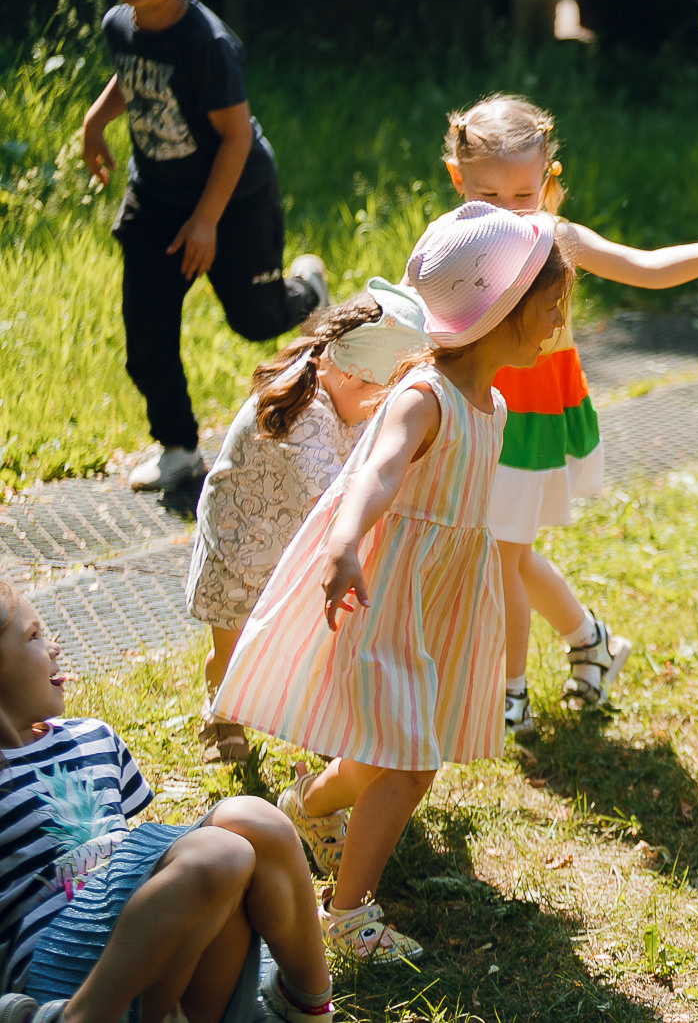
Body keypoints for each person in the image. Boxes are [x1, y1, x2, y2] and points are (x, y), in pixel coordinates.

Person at [213, 204, 569, 964]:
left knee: (392, 750)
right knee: (408, 762)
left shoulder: (492, 403)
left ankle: (308, 804)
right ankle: (346, 914)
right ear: (500, 309)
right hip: (389, 597)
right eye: (550, 304)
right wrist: (344, 543)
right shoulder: (425, 395)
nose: (559, 321)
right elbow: (374, 472)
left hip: (439, 603)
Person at [439, 95, 698, 739]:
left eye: (523, 194)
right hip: (475, 408)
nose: (508, 210)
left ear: (547, 175)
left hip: (531, 417)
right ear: (457, 178)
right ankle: (591, 640)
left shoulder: (555, 235)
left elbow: (645, 267)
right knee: (507, 551)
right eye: (487, 194)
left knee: (501, 556)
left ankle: (509, 695)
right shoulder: (453, 237)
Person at [74, 0, 329, 493]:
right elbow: (132, 74)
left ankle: (309, 291)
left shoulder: (205, 44)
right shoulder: (119, 24)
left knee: (256, 321)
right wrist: (94, 122)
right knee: (146, 330)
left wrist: (207, 221)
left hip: (234, 198)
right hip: (155, 199)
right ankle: (180, 448)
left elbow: (236, 138)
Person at [0, 582, 334, 1023]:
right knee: (222, 853)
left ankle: (305, 1007)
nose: (55, 647)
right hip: (60, 969)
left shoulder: (94, 737)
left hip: (143, 934)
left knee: (255, 820)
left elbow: (128, 856)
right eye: (34, 636)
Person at [185, 281, 428, 764]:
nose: (384, 413)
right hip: (241, 548)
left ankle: (316, 724)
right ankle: (221, 715)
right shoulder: (304, 414)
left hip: (291, 544)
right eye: (383, 400)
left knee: (304, 647)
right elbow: (332, 495)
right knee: (231, 646)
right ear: (353, 377)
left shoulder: (344, 387)